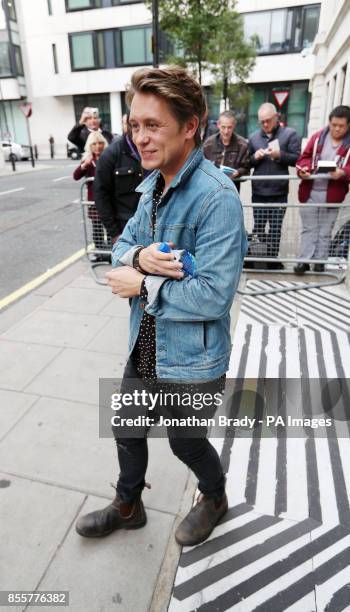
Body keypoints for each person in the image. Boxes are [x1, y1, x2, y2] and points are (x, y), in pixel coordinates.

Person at [75, 66, 247, 547]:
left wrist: (143, 284)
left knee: (184, 441)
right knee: (127, 428)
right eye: (134, 125)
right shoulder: (152, 185)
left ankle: (214, 497)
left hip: (192, 357)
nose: (140, 139)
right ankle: (128, 505)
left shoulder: (218, 199)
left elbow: (214, 295)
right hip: (145, 343)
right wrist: (139, 257)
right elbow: (121, 248)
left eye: (153, 125)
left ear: (190, 125)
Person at [294, 105, 350, 274]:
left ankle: (320, 261)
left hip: (332, 194)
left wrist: (342, 172)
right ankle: (304, 261)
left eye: (341, 126)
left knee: (325, 231)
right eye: (334, 125)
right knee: (308, 229)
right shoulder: (318, 137)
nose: (337, 129)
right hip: (310, 191)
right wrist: (302, 171)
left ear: (348, 126)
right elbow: (303, 158)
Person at [248, 102, 301, 269]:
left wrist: (280, 155)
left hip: (279, 191)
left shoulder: (289, 134)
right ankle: (258, 259)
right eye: (261, 121)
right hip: (259, 191)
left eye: (268, 120)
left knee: (276, 229)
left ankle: (272, 260)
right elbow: (246, 161)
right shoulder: (254, 137)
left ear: (276, 117)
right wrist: (255, 157)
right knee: (258, 227)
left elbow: (296, 158)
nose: (265, 124)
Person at [93, 118, 144, 246]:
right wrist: (115, 233)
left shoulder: (157, 150)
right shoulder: (110, 155)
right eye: (136, 125)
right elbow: (101, 196)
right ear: (128, 125)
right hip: (125, 231)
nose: (143, 131)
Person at [73, 131, 109, 260]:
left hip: (108, 200)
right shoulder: (88, 159)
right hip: (93, 202)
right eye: (94, 144)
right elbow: (76, 176)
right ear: (90, 145)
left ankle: (111, 253)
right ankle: (99, 252)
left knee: (110, 227)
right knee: (97, 228)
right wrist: (84, 165)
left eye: (100, 143)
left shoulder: (109, 157)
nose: (97, 146)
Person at [203, 110, 249, 193]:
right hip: (212, 190)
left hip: (232, 190)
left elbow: (246, 169)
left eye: (229, 127)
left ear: (234, 126)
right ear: (218, 125)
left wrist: (238, 172)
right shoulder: (208, 144)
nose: (226, 131)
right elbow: (202, 167)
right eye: (223, 127)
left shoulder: (242, 145)